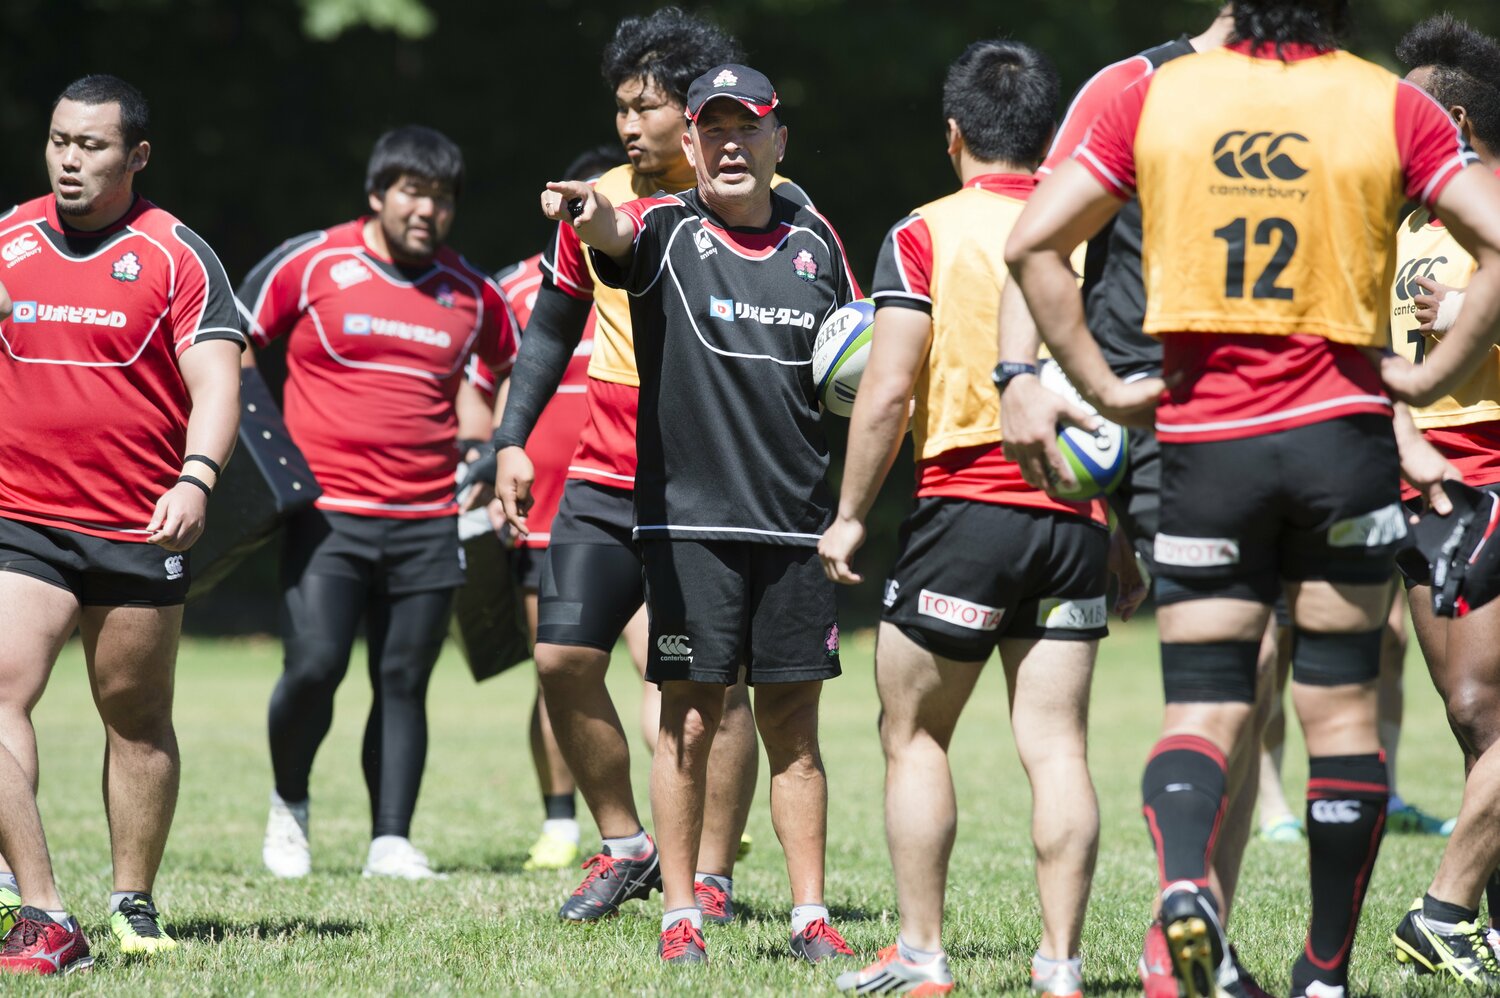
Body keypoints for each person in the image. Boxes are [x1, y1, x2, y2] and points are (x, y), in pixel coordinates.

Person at [1005, 0, 1500, 995]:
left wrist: (1096, 386)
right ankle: (1322, 971)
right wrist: (1430, 370)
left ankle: (1186, 887)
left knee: (1205, 697)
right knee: (1342, 709)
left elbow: (1031, 247)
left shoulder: (1159, 96)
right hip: (1343, 445)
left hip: (1204, 441)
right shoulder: (1387, 100)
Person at [491, 8, 809, 923]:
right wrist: (513, 437)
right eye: (622, 107)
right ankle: (626, 842)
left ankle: (710, 874)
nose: (632, 125)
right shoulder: (594, 198)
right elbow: (554, 323)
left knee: (713, 682)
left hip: (711, 470)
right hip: (603, 459)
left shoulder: (774, 203)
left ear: (699, 113)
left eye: (650, 106)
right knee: (559, 658)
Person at [819, 40, 1123, 997]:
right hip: (1075, 514)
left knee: (913, 734)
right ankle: (1061, 966)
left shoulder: (924, 231)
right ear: (1046, 135)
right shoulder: (1092, 227)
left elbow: (888, 388)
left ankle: (920, 955)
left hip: (967, 507)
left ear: (952, 134)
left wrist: (850, 515)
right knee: (1059, 745)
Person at [540, 62, 858, 965]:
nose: (728, 145)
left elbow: (855, 357)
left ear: (778, 142)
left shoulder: (815, 240)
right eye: (711, 131)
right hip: (688, 529)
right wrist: (583, 213)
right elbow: (610, 231)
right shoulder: (664, 231)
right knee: (687, 718)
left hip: (795, 526)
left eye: (746, 128)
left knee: (795, 726)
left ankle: (808, 917)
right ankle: (681, 912)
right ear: (689, 145)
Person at [996, 11, 1277, 994]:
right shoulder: (1138, 83)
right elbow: (1043, 236)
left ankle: (1204, 923)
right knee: (1229, 667)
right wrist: (1017, 372)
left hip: (1289, 415)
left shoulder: (1315, 92)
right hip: (1166, 415)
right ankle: (1176, 934)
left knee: (1266, 672)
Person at [0, 74, 244, 973]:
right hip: (19, 516)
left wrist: (198, 477)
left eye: (92, 145)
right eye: (60, 141)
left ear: (136, 155)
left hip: (139, 522)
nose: (70, 160)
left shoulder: (177, 254)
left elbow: (217, 377)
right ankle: (34, 901)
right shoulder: (9, 241)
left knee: (134, 716)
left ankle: (131, 897)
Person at [242, 126, 516, 881]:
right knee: (316, 665)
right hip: (326, 515)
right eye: (412, 192)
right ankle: (289, 808)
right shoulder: (313, 261)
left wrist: (492, 445)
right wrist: (262, 451)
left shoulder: (472, 291)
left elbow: (516, 361)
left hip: (428, 518)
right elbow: (229, 339)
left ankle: (389, 840)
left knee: (404, 679)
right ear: (377, 194)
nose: (427, 210)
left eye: (442, 198)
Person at [456, 144, 629, 872]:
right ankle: (562, 822)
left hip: (632, 493)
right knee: (556, 667)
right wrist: (484, 453)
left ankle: (681, 818)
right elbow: (475, 376)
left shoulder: (646, 268)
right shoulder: (519, 287)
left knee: (665, 667)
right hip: (544, 508)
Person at [1388, 15, 1500, 984]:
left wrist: (1477, 312)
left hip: (1495, 477)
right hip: (1423, 490)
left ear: (1454, 119)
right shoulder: (1410, 228)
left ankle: (1446, 906)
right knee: (1472, 713)